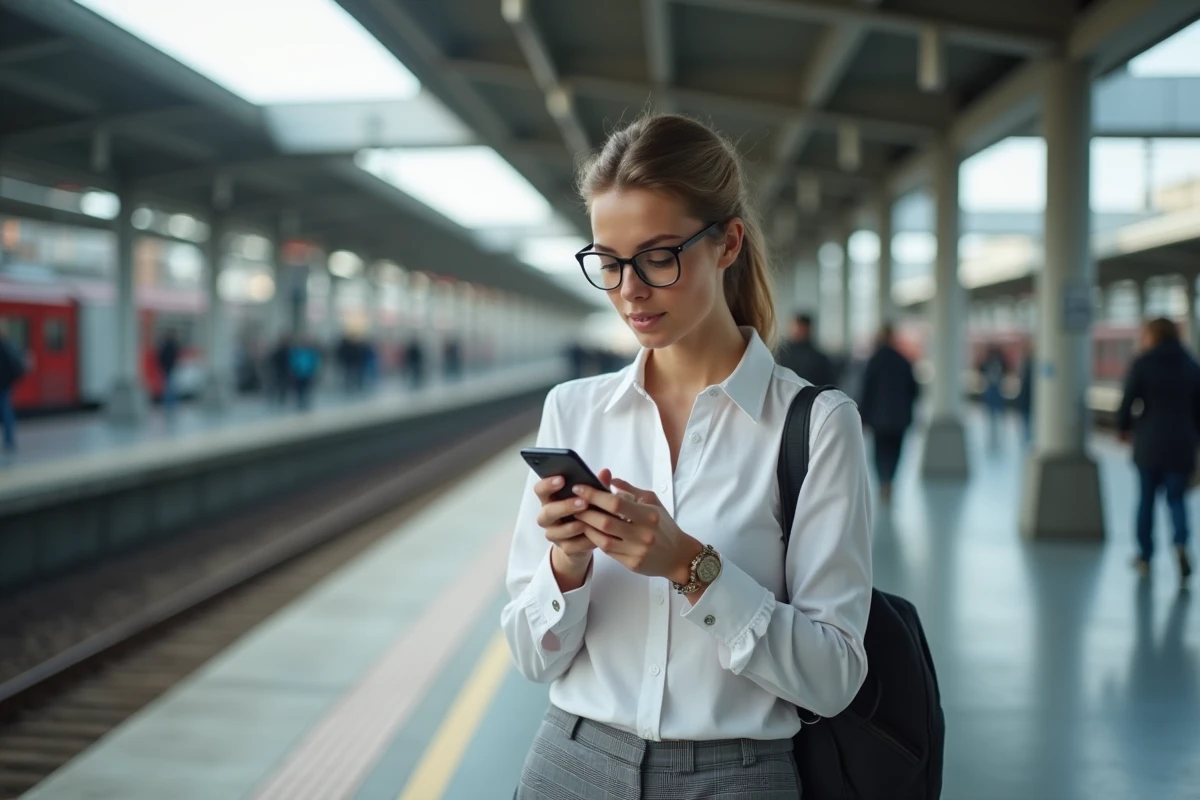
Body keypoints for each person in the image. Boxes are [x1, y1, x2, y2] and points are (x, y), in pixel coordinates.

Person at [501, 113, 872, 799]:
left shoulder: (815, 425)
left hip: (739, 777)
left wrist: (689, 566)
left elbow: (834, 676)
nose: (629, 290)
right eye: (608, 262)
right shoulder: (574, 412)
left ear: (727, 242)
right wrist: (568, 563)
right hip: (571, 762)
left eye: (658, 257)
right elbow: (531, 657)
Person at [1117, 317, 1200, 583]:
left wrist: (1123, 428)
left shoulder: (1144, 363)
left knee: (1146, 501)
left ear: (1153, 336)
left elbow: (1128, 401)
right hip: (1182, 445)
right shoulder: (1191, 364)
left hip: (1149, 444)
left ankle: (1145, 556)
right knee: (1177, 500)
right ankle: (1180, 544)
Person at [858, 324, 919, 502]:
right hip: (900, 417)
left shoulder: (873, 361)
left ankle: (883, 481)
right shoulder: (903, 361)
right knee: (896, 450)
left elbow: (866, 390)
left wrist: (864, 415)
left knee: (879, 451)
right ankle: (890, 480)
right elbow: (914, 391)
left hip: (878, 418)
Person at [775, 312, 837, 387]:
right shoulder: (780, 353)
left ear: (808, 329)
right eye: (794, 326)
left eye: (800, 327)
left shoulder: (819, 359)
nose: (796, 330)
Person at [0, 325, 25, 454]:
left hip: (2, 384)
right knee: (6, 410)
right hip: (6, 384)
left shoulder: (4, 347)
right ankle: (9, 440)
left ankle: (9, 440)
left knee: (5, 410)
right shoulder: (9, 345)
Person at [157, 329, 181, 421]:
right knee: (171, 386)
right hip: (170, 367)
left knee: (169, 386)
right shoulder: (173, 345)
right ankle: (171, 403)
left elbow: (162, 356)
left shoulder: (167, 345)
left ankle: (169, 403)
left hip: (168, 367)